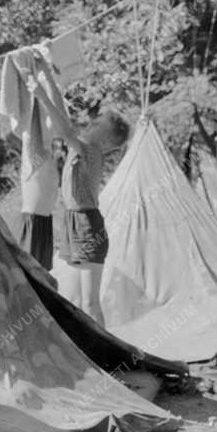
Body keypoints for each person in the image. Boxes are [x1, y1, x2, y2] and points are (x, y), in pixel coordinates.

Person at [53, 110, 131, 327]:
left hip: (87, 225)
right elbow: (64, 123)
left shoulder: (90, 151)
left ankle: (108, 356)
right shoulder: (81, 148)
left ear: (105, 139)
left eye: (97, 125)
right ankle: (92, 349)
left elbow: (64, 130)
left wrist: (41, 93)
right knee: (80, 301)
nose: (90, 125)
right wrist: (47, 82)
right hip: (74, 223)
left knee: (90, 302)